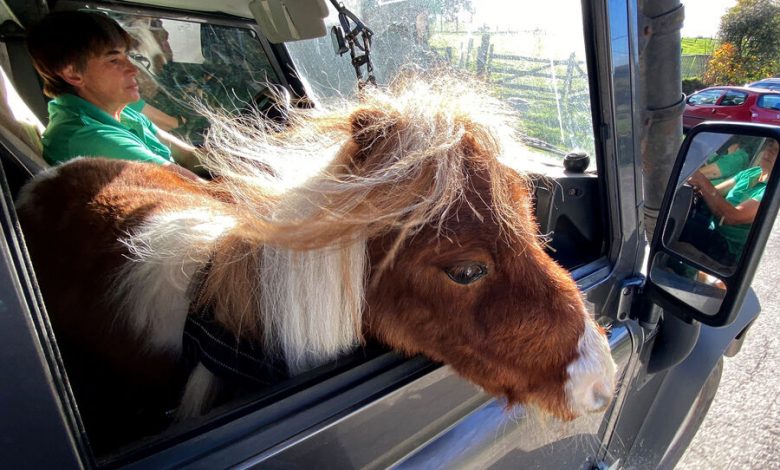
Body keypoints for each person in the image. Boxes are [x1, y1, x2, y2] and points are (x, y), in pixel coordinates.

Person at [26, 11, 201, 174]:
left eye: (127, 56)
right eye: (114, 60)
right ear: (73, 74)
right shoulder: (91, 137)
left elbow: (187, 157)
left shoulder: (123, 115)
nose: (133, 69)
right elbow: (194, 186)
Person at [683, 138, 779, 264]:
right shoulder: (752, 173)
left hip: (730, 249)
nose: (770, 151)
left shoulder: (774, 191)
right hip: (713, 228)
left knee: (681, 232)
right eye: (771, 145)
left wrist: (702, 181)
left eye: (777, 150)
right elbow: (715, 192)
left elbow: (731, 217)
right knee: (681, 221)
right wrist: (695, 187)